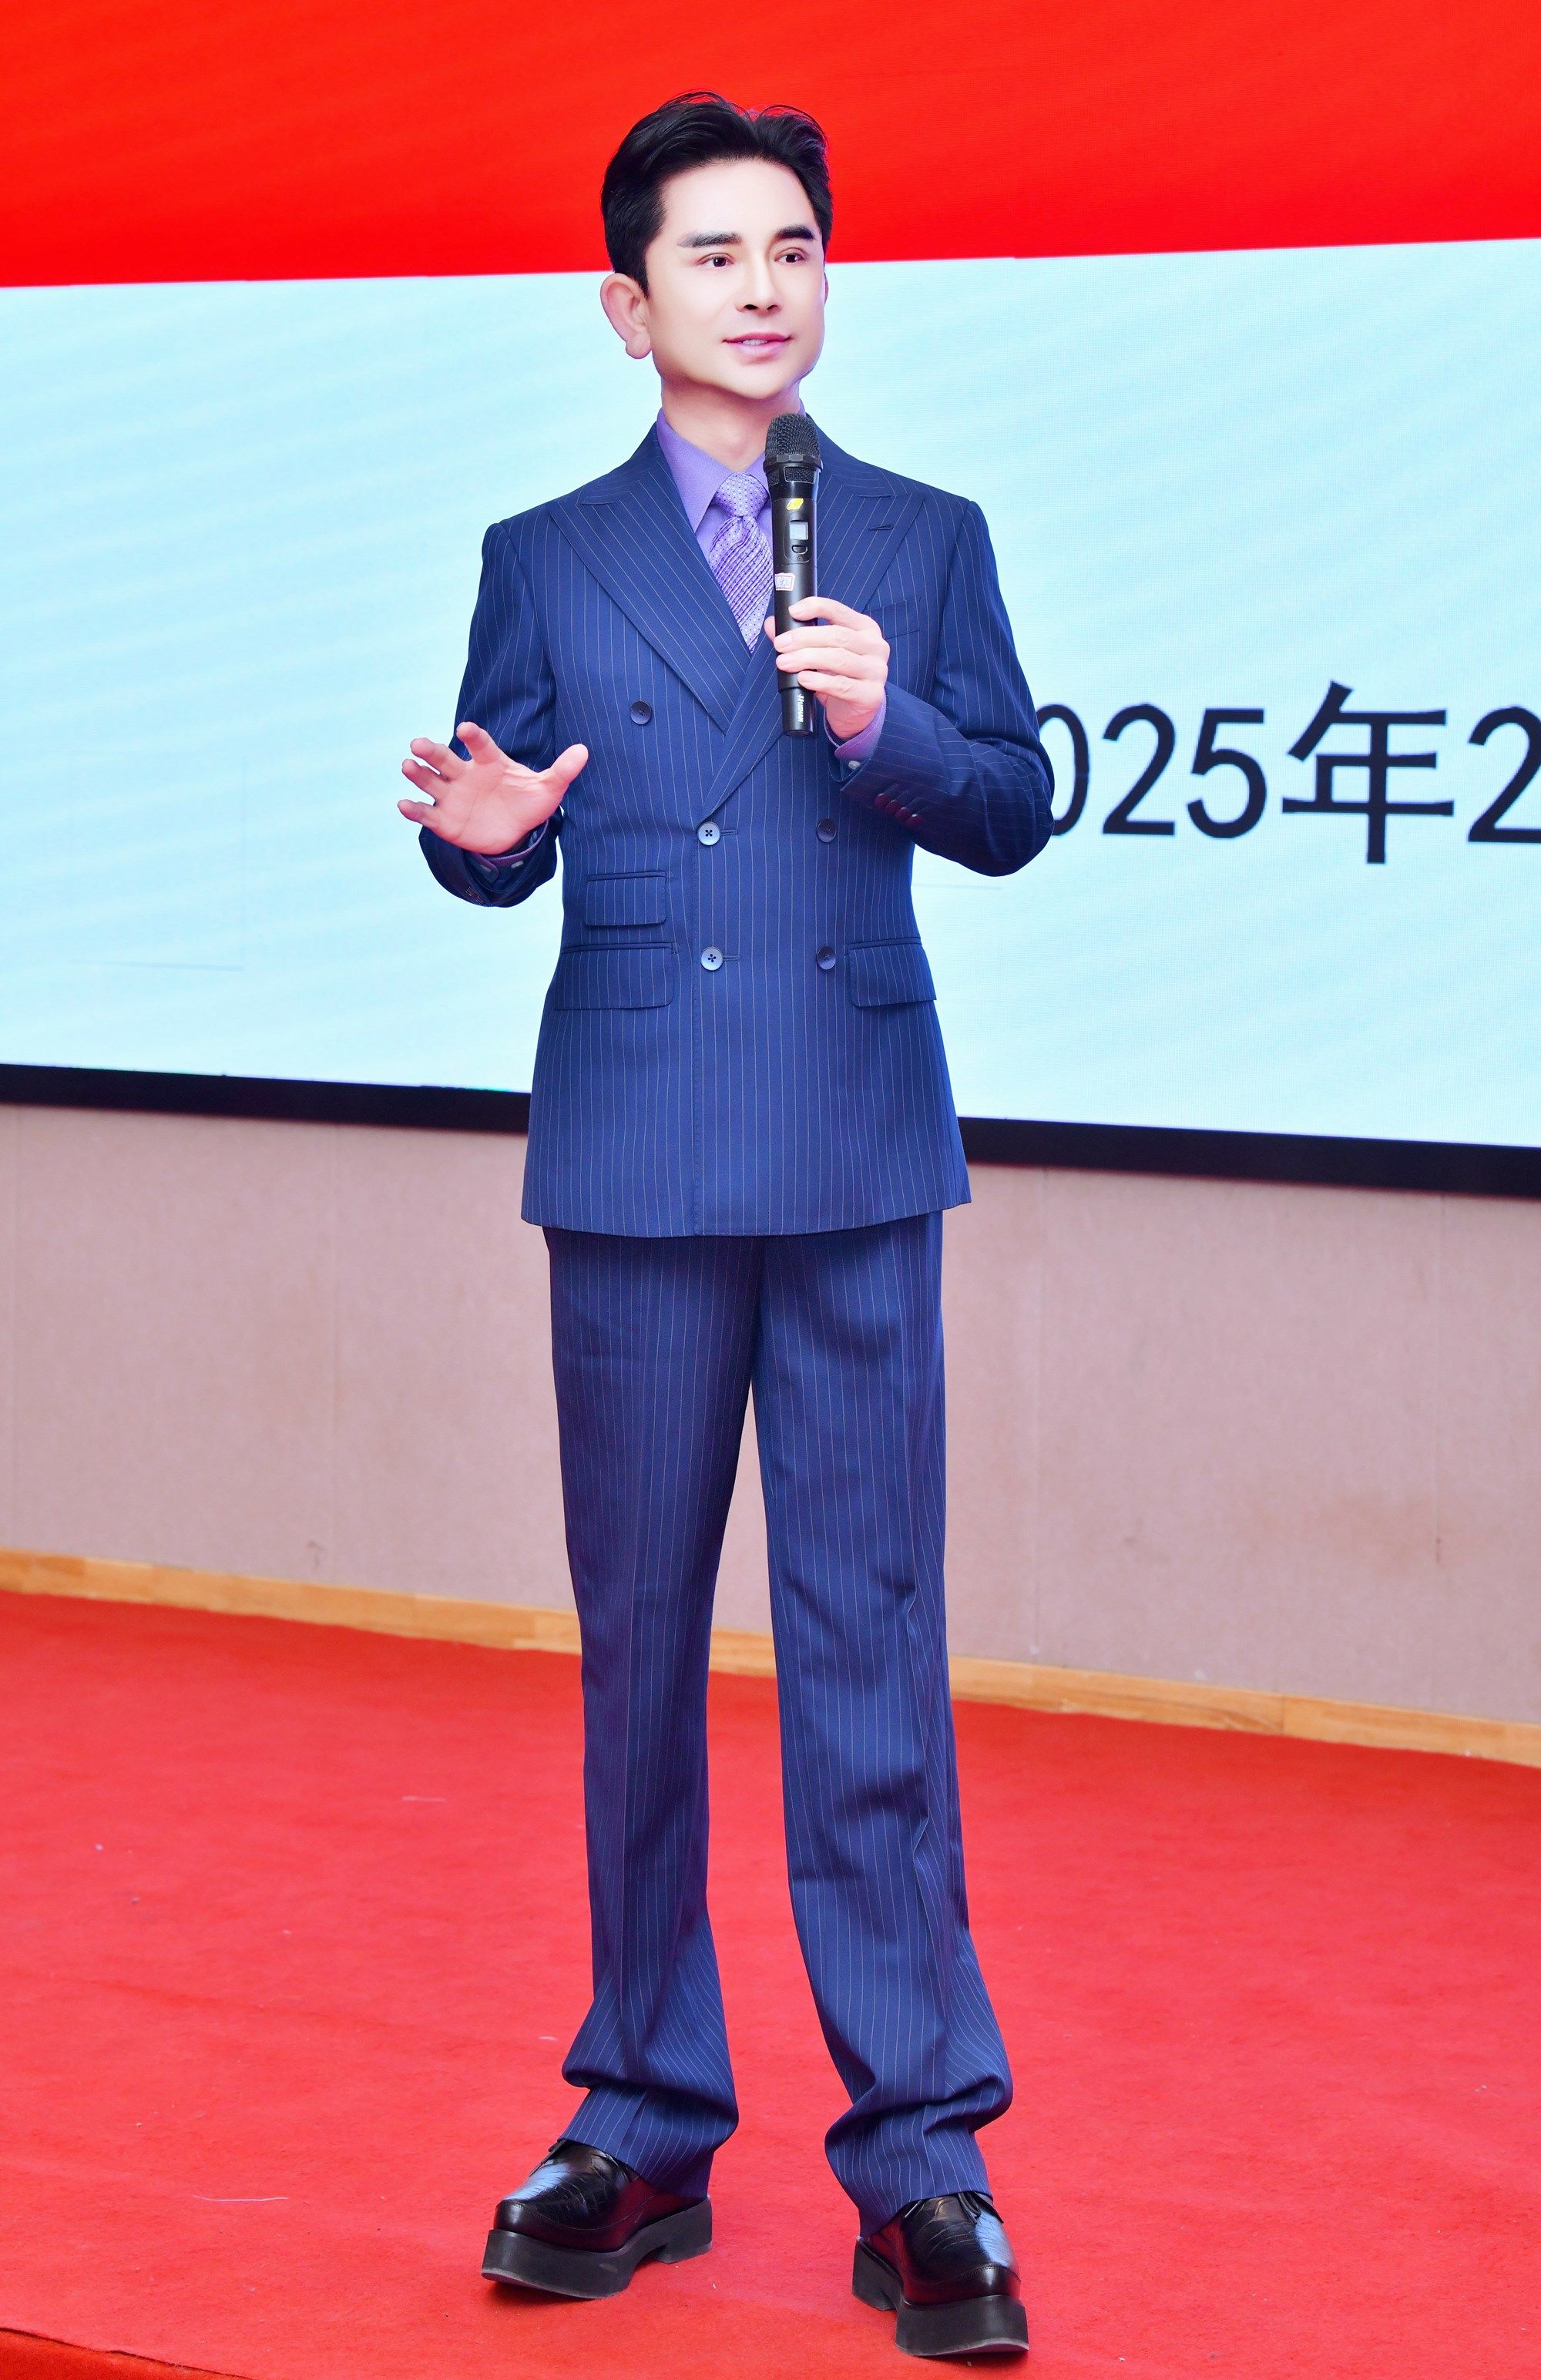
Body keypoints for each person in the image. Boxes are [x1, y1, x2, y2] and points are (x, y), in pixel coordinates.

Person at [398, 92, 1052, 2363]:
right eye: (715, 254)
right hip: (638, 1153)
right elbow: (487, 825)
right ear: (625, 303)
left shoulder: (923, 536)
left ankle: (924, 2154)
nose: (764, 288)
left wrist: (891, 728)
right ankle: (647, 2115)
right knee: (640, 1643)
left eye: (795, 249)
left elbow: (1015, 801)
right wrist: (482, 837)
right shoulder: (545, 554)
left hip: (855, 1142)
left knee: (871, 1641)